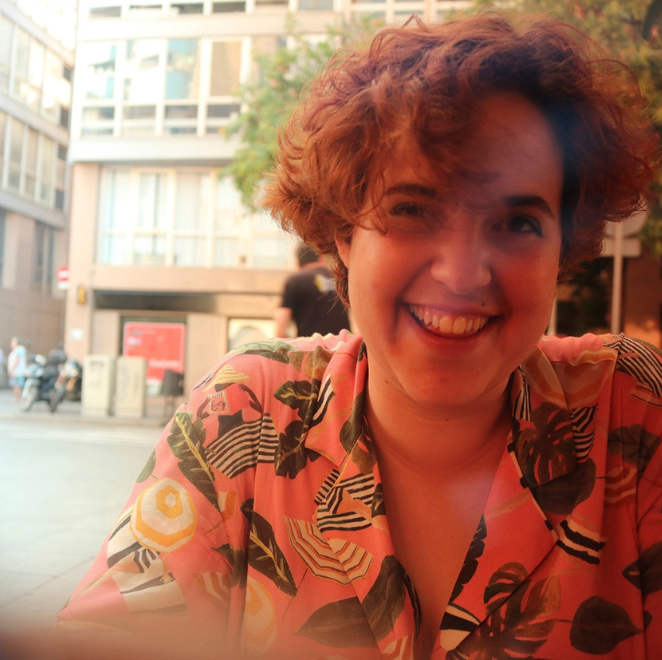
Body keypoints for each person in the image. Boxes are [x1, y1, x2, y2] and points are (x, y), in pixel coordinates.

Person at [53, 12, 662, 660]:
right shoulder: (244, 413)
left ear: (562, 248)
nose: (462, 273)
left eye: (517, 223)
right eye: (413, 209)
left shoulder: (632, 412)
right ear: (344, 233)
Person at [274, 242, 351, 337]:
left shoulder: (295, 281)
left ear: (298, 264)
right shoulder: (339, 278)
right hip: (342, 343)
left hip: (312, 344)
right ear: (321, 259)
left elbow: (281, 326)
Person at [7, 337, 27, 402]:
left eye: (12, 342)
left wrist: (11, 369)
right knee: (16, 384)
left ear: (15, 343)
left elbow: (17, 360)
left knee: (16, 384)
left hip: (17, 371)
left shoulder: (19, 349)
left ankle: (17, 397)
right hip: (17, 371)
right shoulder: (18, 350)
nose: (11, 344)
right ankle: (18, 397)